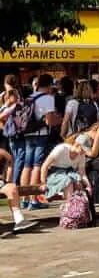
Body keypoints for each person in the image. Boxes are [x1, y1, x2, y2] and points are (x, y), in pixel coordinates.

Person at [20, 74, 58, 210]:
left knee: (26, 165)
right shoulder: (48, 98)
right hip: (40, 134)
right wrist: (58, 119)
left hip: (27, 133)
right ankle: (34, 199)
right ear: (48, 85)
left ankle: (23, 198)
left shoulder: (30, 97)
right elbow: (49, 120)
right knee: (37, 165)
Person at [40, 134, 91, 201]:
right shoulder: (61, 148)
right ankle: (69, 205)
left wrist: (88, 186)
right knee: (68, 181)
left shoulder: (82, 155)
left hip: (68, 173)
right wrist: (43, 183)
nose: (84, 152)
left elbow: (82, 174)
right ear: (77, 144)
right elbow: (45, 166)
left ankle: (78, 207)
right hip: (53, 174)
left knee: (78, 181)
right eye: (83, 149)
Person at [0, 147, 39, 233]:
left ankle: (19, 221)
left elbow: (10, 160)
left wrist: (7, 178)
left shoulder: (2, 152)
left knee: (12, 188)